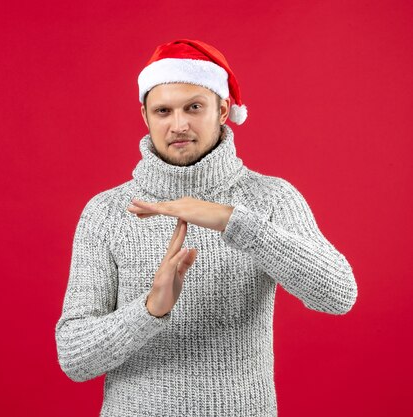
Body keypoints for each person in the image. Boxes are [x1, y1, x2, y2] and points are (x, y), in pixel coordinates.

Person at [55, 38, 357, 417]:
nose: (178, 124)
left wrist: (232, 220)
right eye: (163, 111)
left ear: (223, 109)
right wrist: (150, 310)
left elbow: (337, 294)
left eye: (193, 107)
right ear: (146, 117)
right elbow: (74, 357)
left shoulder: (271, 198)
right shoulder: (107, 212)